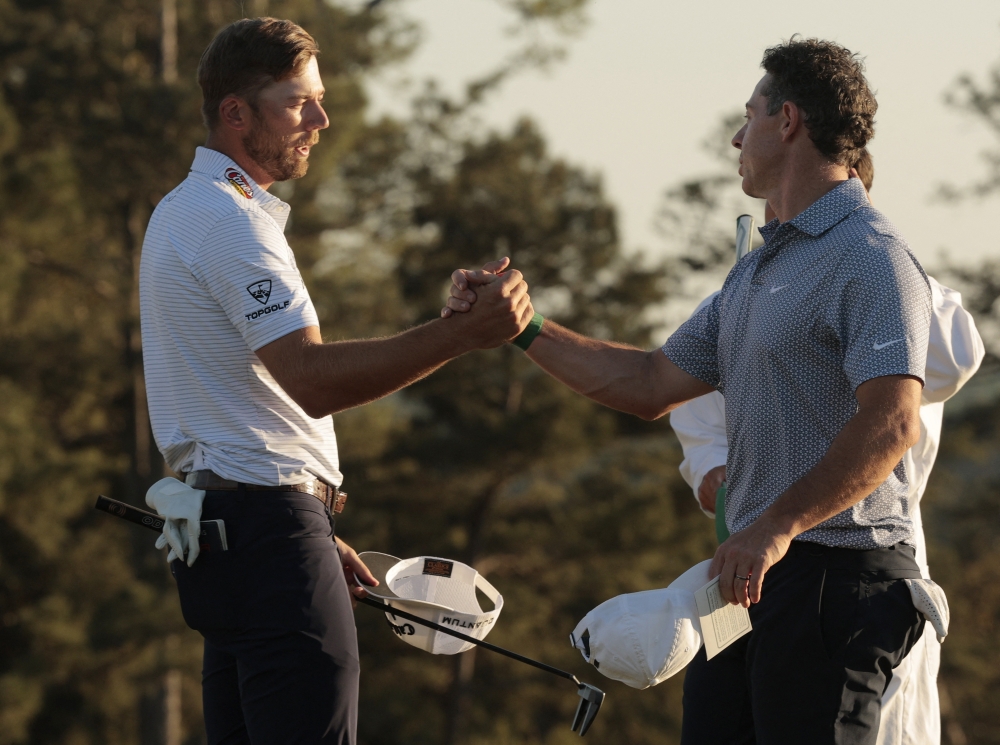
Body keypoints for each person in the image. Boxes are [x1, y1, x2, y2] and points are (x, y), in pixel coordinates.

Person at [447, 38, 933, 743]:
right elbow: (648, 382)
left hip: (837, 577)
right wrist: (522, 327)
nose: (738, 137)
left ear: (788, 121)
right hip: (744, 581)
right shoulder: (756, 272)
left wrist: (773, 524)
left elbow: (891, 423)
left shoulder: (872, 257)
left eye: (749, 116)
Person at [139, 18, 534, 745]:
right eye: (299, 103)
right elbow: (310, 380)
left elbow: (252, 407)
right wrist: (461, 335)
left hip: (234, 539)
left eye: (318, 99)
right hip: (264, 539)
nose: (321, 120)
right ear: (236, 113)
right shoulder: (228, 222)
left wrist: (308, 527)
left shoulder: (181, 212)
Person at [671, 152, 985, 745]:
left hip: (848, 556)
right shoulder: (747, 285)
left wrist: (825, 284)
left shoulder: (885, 276)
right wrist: (710, 467)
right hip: (741, 564)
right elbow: (674, 395)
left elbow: (953, 361)